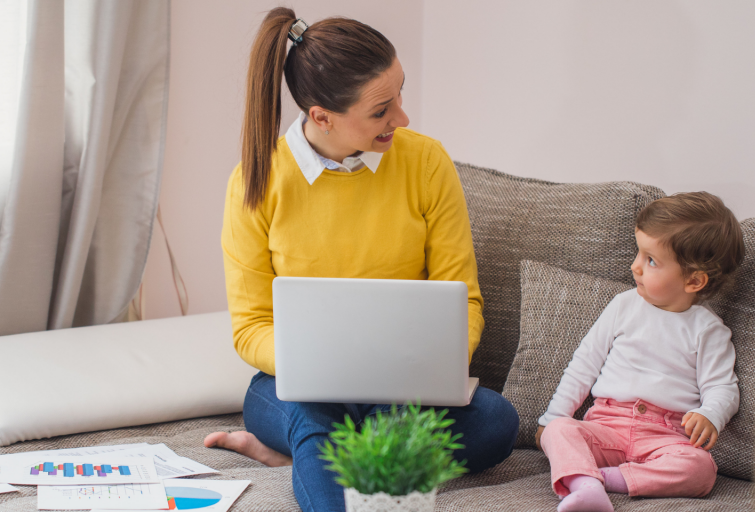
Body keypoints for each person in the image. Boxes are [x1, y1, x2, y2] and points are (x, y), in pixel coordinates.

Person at [202, 8, 520, 511]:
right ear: (320, 115)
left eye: (399, 94)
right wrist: (327, 369)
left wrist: (423, 371)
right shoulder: (255, 183)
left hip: (403, 386)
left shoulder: (426, 161)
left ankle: (313, 457)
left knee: (495, 422)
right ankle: (326, 446)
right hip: (297, 386)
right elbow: (251, 327)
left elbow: (465, 300)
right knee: (313, 417)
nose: (403, 118)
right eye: (380, 110)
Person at [535, 192, 745, 512]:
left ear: (694, 280)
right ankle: (587, 485)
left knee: (701, 469)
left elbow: (722, 387)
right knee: (559, 430)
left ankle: (599, 481)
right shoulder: (623, 305)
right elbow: (584, 365)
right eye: (638, 253)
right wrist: (553, 416)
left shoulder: (708, 330)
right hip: (605, 426)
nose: (635, 266)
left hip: (666, 436)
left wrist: (710, 414)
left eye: (651, 260)